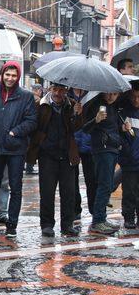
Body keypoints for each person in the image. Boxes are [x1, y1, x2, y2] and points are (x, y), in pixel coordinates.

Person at [0, 61, 36, 238]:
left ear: (18, 77)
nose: (10, 78)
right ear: (2, 74)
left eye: (13, 75)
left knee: (15, 188)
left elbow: (31, 121)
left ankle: (12, 224)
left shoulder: (26, 96)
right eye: (7, 75)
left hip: (16, 149)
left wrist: (15, 132)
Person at [26, 83, 83, 237]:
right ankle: (46, 225)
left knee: (69, 193)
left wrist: (77, 114)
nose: (58, 93)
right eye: (55, 89)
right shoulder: (40, 105)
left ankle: (67, 225)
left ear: (66, 90)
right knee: (47, 193)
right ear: (50, 89)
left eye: (62, 89)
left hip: (67, 155)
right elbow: (34, 127)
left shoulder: (72, 105)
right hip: (47, 156)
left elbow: (75, 128)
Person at [83, 92, 129, 234]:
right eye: (109, 94)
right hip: (102, 149)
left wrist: (122, 128)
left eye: (114, 94)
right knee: (104, 185)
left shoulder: (115, 106)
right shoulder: (95, 105)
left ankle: (101, 218)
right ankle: (98, 221)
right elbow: (85, 128)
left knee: (107, 184)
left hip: (113, 147)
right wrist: (96, 120)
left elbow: (113, 128)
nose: (111, 97)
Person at [71, 88, 97, 220]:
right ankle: (75, 210)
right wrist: (74, 112)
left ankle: (94, 209)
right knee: (72, 179)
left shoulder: (93, 95)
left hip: (89, 142)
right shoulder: (67, 95)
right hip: (72, 143)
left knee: (92, 179)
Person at [120, 86, 139, 229]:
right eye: (133, 97)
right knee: (129, 191)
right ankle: (129, 217)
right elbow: (121, 137)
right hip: (129, 160)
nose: (136, 100)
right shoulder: (123, 113)